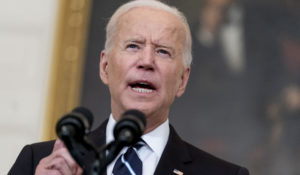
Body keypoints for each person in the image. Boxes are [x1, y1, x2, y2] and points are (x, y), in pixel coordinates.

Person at [9, 0, 249, 175]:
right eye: (133, 46)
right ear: (105, 67)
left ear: (182, 81)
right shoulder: (38, 162)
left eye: (163, 51)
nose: (146, 61)